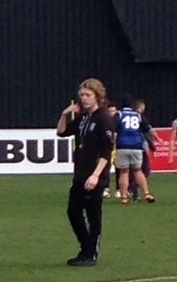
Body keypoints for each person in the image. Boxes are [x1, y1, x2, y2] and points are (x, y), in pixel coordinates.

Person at [56, 78, 114, 268]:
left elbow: (107, 150)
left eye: (88, 95)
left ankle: (91, 254)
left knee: (93, 215)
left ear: (97, 96)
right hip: (80, 174)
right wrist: (65, 115)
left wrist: (96, 175)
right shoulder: (83, 117)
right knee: (73, 212)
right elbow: (61, 132)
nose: (84, 98)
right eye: (81, 95)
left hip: (94, 176)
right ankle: (85, 248)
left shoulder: (103, 117)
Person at [113, 100, 159, 205]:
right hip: (137, 146)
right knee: (138, 171)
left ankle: (124, 196)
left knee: (124, 172)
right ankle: (146, 193)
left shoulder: (119, 114)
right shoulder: (138, 115)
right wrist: (156, 139)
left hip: (122, 146)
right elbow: (147, 128)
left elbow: (112, 128)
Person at [128, 99, 158, 201]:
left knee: (133, 170)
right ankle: (132, 188)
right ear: (141, 107)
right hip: (139, 146)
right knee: (144, 170)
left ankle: (133, 192)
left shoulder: (126, 117)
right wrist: (156, 140)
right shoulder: (140, 117)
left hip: (127, 146)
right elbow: (148, 131)